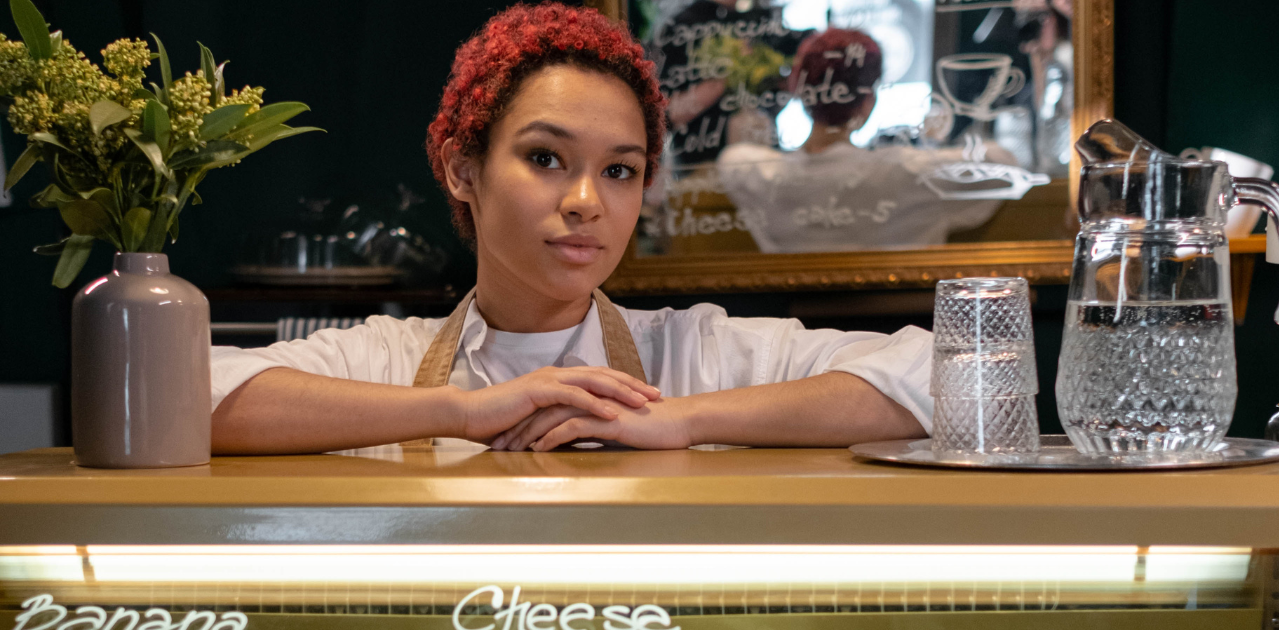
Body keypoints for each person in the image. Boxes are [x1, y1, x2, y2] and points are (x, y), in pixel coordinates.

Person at [210, 3, 932, 455]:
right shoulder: (383, 360)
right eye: (546, 158)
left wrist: (678, 421)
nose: (587, 200)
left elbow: (941, 375)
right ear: (464, 172)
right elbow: (186, 394)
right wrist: (460, 413)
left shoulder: (693, 354)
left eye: (620, 170)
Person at [715, 28, 1018, 253]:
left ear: (799, 93)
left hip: (800, 331)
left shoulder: (758, 173)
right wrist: (932, 145)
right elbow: (1003, 162)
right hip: (897, 331)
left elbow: (732, 158)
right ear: (868, 101)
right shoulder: (907, 169)